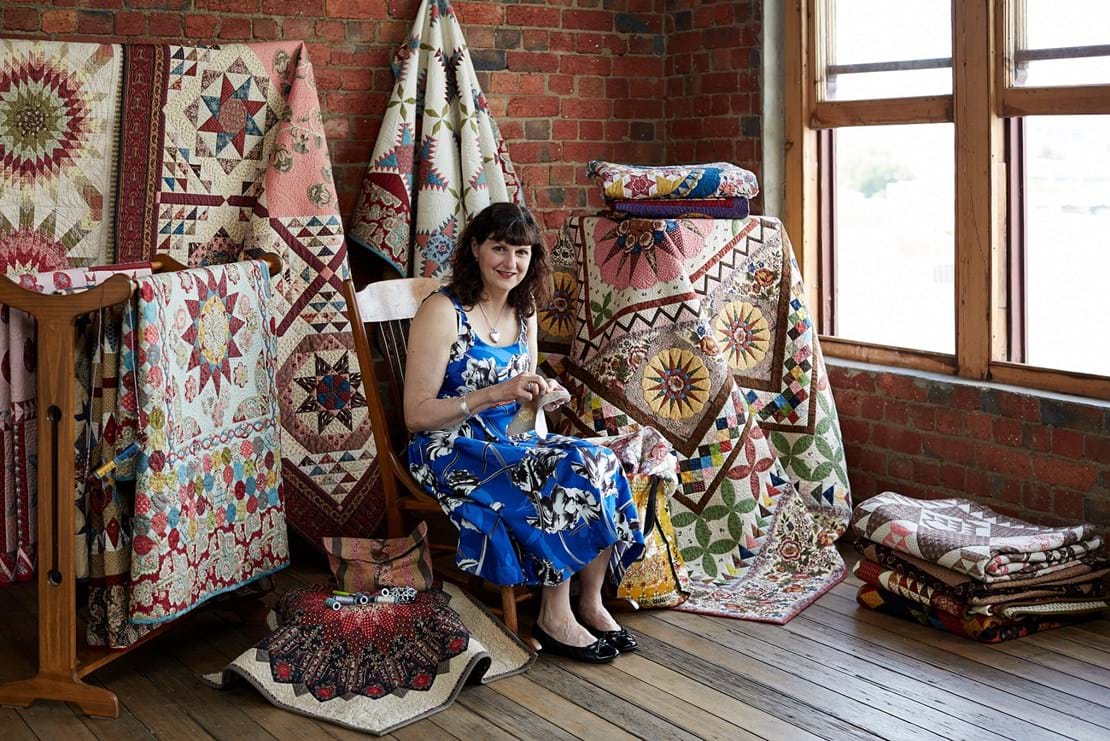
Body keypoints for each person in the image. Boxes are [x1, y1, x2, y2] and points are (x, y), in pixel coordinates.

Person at [405, 202, 644, 663]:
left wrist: (538, 398)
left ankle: (590, 602)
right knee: (565, 469)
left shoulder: (524, 310)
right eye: (499, 248)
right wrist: (494, 393)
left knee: (600, 458)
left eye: (521, 252)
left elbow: (520, 416)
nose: (510, 263)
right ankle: (555, 615)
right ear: (475, 249)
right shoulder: (442, 311)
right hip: (451, 448)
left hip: (510, 439)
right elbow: (416, 416)